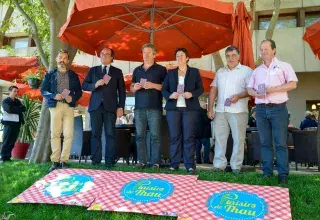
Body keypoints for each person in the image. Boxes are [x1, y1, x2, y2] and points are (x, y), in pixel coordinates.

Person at [247, 39, 298, 184]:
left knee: (280, 142)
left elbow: (293, 84)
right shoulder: (257, 71)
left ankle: (283, 174)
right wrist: (255, 93)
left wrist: (274, 89)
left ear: (274, 50)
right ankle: (267, 172)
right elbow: (249, 88)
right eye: (261, 50)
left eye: (266, 49)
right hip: (261, 109)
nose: (263, 52)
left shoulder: (284, 66)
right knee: (265, 143)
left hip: (278, 109)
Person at [208, 46, 252, 174]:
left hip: (239, 110)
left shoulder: (247, 71)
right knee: (219, 139)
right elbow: (213, 89)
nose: (231, 58)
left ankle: (236, 167)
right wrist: (210, 108)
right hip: (221, 110)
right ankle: (219, 165)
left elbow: (251, 90)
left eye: (233, 55)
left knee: (239, 140)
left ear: (238, 57)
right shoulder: (220, 71)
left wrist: (239, 96)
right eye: (228, 56)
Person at [162, 48, 204, 174]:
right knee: (174, 136)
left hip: (190, 109)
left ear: (187, 58)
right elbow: (164, 90)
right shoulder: (170, 73)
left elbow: (201, 89)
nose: (179, 58)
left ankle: (190, 165)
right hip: (173, 109)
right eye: (177, 56)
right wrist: (170, 95)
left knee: (189, 137)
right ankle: (174, 164)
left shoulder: (194, 72)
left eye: (181, 55)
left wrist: (192, 93)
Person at [82, 47, 126, 168]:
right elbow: (84, 85)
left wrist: (120, 106)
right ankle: (96, 160)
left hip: (111, 107)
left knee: (110, 134)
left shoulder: (117, 72)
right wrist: (95, 84)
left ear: (112, 58)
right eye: (102, 53)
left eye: (107, 54)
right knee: (95, 134)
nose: (104, 55)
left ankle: (109, 161)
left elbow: (122, 92)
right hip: (95, 107)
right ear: (100, 56)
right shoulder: (93, 70)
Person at [41, 49, 82, 171]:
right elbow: (43, 91)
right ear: (56, 59)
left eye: (64, 58)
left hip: (69, 107)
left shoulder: (73, 75)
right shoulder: (49, 74)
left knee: (69, 134)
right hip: (55, 106)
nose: (62, 60)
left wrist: (72, 97)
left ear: (68, 60)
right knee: (55, 134)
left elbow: (78, 92)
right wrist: (53, 95)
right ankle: (55, 161)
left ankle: (64, 160)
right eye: (60, 57)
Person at [131, 43, 167, 169]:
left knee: (155, 136)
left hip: (155, 107)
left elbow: (165, 88)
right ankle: (142, 161)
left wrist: (153, 85)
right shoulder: (137, 70)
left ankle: (155, 162)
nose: (146, 55)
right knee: (140, 136)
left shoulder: (161, 70)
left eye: (148, 52)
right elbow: (131, 87)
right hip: (139, 108)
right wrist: (134, 88)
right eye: (144, 52)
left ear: (154, 54)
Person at [0, 86, 26, 163]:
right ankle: (3, 157)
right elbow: (8, 109)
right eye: (14, 91)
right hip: (8, 124)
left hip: (16, 124)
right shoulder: (5, 101)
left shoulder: (18, 101)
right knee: (6, 140)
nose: (16, 93)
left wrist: (15, 109)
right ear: (9, 92)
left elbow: (24, 108)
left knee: (12, 141)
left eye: (17, 91)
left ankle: (8, 157)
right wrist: (18, 109)